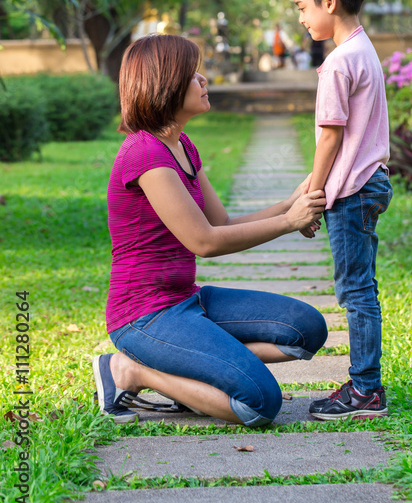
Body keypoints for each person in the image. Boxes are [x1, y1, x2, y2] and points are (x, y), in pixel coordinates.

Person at [93, 34, 327, 426]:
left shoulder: (182, 145)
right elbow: (204, 242)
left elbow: (221, 224)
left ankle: (197, 364)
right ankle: (130, 371)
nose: (204, 80)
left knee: (307, 329)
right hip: (144, 316)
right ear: (164, 83)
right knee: (259, 403)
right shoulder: (144, 153)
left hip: (187, 301)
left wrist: (289, 204)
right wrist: (289, 223)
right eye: (193, 73)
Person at [289, 0, 392, 420]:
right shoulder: (365, 49)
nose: (302, 18)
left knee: (355, 291)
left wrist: (314, 192)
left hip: (352, 191)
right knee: (362, 286)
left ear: (328, 1)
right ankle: (365, 383)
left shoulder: (337, 64)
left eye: (302, 7)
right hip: (371, 181)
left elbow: (331, 136)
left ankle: (365, 389)